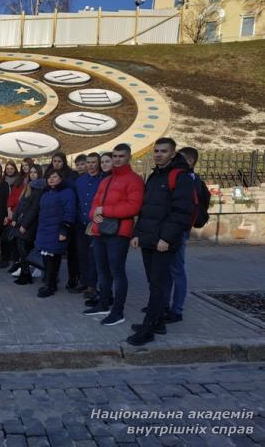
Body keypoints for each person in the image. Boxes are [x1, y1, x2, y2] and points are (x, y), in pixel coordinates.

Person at [128, 138, 194, 346]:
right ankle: (158, 322)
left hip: (163, 242)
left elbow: (182, 212)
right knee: (155, 282)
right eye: (156, 151)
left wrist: (166, 238)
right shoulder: (155, 176)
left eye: (163, 151)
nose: (158, 154)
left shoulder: (181, 177)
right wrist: (137, 233)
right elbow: (146, 208)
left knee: (158, 284)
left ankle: (149, 327)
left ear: (173, 154)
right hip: (148, 239)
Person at [84, 144, 144, 327]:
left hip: (119, 233)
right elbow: (95, 204)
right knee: (102, 271)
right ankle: (104, 303)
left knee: (117, 273)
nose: (117, 159)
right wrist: (94, 214)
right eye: (115, 156)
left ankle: (118, 312)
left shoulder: (134, 180)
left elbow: (134, 207)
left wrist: (105, 210)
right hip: (100, 231)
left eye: (121, 156)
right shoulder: (106, 180)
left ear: (129, 157)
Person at [163, 146, 203, 323]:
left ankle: (176, 309)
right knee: (167, 270)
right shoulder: (179, 176)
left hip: (179, 231)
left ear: (190, 161)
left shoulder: (190, 179)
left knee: (177, 270)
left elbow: (186, 208)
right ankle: (163, 304)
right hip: (169, 229)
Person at [34, 169, 76, 298]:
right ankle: (49, 283)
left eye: (55, 177)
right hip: (44, 230)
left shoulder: (67, 193)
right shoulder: (46, 192)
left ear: (61, 178)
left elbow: (70, 212)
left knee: (53, 260)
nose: (51, 179)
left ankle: (50, 286)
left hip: (57, 231)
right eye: (49, 177)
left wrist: (64, 230)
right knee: (47, 260)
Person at [45, 152, 80, 290]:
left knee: (71, 251)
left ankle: (73, 278)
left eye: (59, 161)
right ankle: (51, 278)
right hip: (51, 218)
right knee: (52, 251)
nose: (56, 164)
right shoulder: (49, 172)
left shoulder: (70, 175)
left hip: (66, 218)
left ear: (64, 162)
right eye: (54, 161)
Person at [73, 152, 103, 296]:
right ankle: (84, 282)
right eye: (88, 162)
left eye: (93, 162)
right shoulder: (79, 181)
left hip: (94, 224)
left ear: (98, 163)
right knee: (82, 254)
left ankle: (92, 285)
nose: (90, 165)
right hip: (80, 223)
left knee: (93, 256)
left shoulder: (103, 179)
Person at [12, 164, 44, 285]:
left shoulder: (40, 188)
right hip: (21, 222)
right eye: (31, 172)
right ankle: (25, 273)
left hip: (29, 224)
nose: (33, 174)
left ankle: (26, 275)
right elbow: (20, 204)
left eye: (35, 172)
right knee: (22, 248)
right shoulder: (29, 186)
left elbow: (34, 209)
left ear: (39, 174)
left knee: (24, 249)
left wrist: (24, 225)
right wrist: (14, 218)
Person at [0, 161, 20, 269]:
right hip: (3, 211)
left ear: (15, 169)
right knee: (4, 237)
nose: (9, 170)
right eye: (7, 168)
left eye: (12, 168)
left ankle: (13, 261)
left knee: (11, 237)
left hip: (13, 212)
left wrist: (11, 211)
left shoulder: (19, 181)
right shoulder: (2, 180)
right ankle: (4, 258)